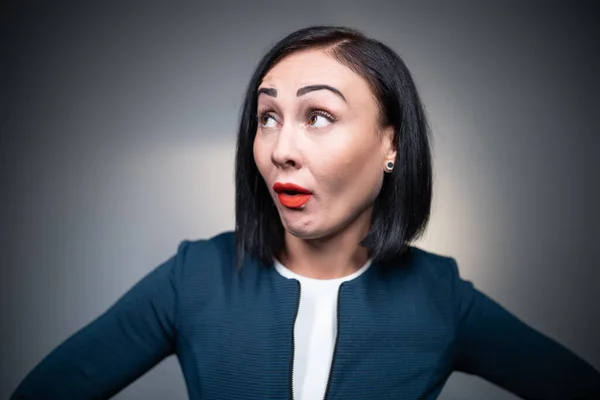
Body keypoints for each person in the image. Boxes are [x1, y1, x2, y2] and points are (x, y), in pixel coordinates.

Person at [10, 26, 600, 400]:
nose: (281, 149)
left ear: (392, 145)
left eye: (318, 116)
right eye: (268, 118)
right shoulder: (194, 277)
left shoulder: (438, 295)